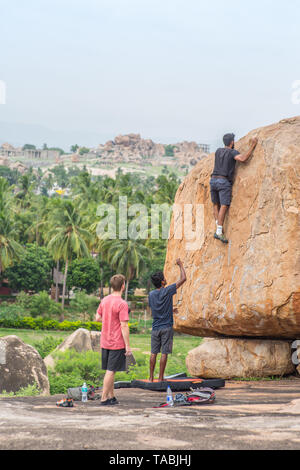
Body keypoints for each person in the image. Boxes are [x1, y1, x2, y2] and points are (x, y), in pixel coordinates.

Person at [210, 133, 258, 244]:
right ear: (232, 142)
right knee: (224, 205)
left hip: (213, 180)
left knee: (215, 204)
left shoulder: (218, 151)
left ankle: (218, 226)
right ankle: (218, 231)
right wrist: (253, 145)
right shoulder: (232, 152)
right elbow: (243, 159)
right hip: (223, 181)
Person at [95, 274, 132, 406]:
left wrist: (108, 319)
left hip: (105, 340)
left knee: (111, 370)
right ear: (123, 286)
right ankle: (104, 398)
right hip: (116, 342)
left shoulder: (104, 300)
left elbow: (97, 318)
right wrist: (127, 346)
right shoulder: (122, 304)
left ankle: (111, 396)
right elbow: (124, 325)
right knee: (110, 371)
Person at [148, 258, 187, 382]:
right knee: (164, 352)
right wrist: (180, 265)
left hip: (155, 327)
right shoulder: (168, 290)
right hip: (166, 327)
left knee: (153, 352)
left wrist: (170, 310)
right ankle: (160, 378)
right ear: (163, 281)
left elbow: (156, 309)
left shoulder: (151, 294)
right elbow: (183, 279)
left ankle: (150, 377)